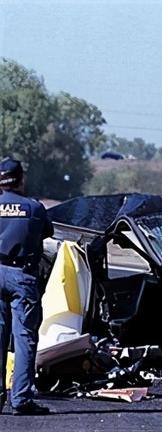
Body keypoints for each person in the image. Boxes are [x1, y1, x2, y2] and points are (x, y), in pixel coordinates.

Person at [0, 158, 53, 416]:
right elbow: (46, 233)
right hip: (22, 275)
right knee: (24, 338)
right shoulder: (33, 207)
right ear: (21, 179)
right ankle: (20, 399)